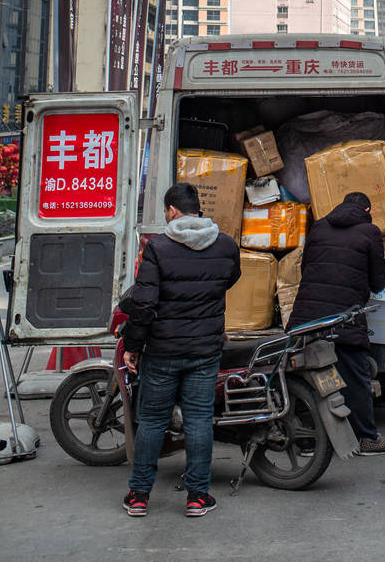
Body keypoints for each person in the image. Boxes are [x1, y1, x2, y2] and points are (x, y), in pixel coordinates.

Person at [119, 182, 241, 518]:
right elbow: (230, 278)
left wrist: (132, 346)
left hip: (162, 352)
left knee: (153, 421)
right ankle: (198, 498)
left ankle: (139, 496)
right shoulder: (226, 245)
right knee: (199, 420)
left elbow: (143, 304)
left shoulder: (157, 248)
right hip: (205, 349)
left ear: (172, 211)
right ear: (197, 208)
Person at [287, 190, 385, 455]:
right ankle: (367, 439)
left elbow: (306, 270)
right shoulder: (369, 232)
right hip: (343, 318)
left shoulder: (319, 226)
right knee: (356, 375)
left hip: (307, 316)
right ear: (368, 212)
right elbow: (378, 282)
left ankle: (306, 440)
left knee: (307, 375)